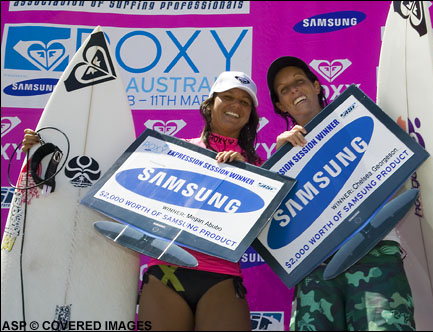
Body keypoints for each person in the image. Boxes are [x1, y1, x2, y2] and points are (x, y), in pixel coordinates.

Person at [22, 71, 262, 331]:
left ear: (251, 114)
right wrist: (45, 148)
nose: (236, 105)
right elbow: (101, 172)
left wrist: (246, 172)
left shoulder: (261, 168)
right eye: (227, 96)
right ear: (210, 104)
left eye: (245, 101)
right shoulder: (172, 151)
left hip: (221, 277)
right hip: (166, 274)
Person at [266, 56, 416, 331]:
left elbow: (403, 176)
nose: (294, 91)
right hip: (315, 266)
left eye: (299, 82)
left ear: (316, 86)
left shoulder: (362, 118)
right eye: (284, 90)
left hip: (374, 251)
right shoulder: (280, 155)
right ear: (279, 104)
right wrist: (281, 159)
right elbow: (277, 226)